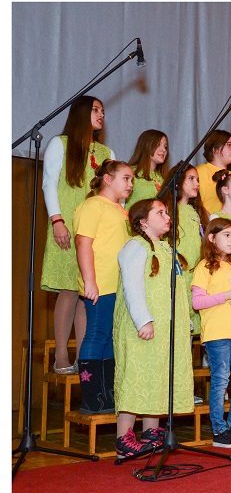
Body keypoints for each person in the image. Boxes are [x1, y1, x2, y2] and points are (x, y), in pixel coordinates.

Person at [112, 199, 193, 457]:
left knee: (156, 377)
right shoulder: (135, 246)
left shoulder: (167, 248)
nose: (167, 216)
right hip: (143, 326)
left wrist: (185, 320)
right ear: (143, 221)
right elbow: (132, 285)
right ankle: (123, 439)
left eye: (167, 212)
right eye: (160, 213)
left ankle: (151, 433)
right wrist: (142, 319)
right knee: (136, 377)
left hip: (165, 329)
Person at [41, 95, 115, 374]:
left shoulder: (107, 153)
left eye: (103, 110)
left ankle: (84, 357)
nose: (101, 114)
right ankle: (61, 354)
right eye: (95, 110)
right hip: (66, 226)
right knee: (69, 289)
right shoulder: (60, 144)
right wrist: (57, 220)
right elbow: (49, 183)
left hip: (96, 231)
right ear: (81, 113)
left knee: (87, 292)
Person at [73, 160, 132, 414]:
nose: (130, 184)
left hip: (118, 283)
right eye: (125, 178)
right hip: (101, 282)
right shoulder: (92, 205)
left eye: (132, 179)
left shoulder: (120, 210)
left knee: (110, 337)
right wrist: (90, 281)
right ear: (107, 179)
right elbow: (83, 242)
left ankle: (107, 394)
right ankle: (91, 396)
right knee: (96, 333)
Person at [191, 218, 231, 448]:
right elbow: (197, 302)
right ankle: (219, 429)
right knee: (220, 379)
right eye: (226, 235)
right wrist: (228, 295)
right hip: (217, 331)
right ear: (211, 238)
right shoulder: (205, 266)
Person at [159, 163, 208, 336]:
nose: (196, 184)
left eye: (198, 180)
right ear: (178, 181)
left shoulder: (198, 211)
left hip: (196, 273)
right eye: (191, 179)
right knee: (179, 324)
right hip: (178, 272)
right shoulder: (167, 209)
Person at [196, 130, 231, 217]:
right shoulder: (200, 171)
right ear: (215, 149)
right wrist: (214, 222)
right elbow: (196, 205)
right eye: (229, 145)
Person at [126, 130, 169, 208]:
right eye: (158, 144)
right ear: (146, 145)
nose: (163, 150)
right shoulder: (130, 172)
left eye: (165, 146)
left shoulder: (165, 178)